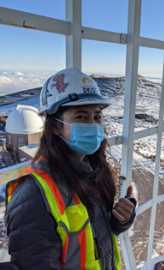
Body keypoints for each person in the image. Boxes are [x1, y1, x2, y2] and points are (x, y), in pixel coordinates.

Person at [4, 67, 136, 270]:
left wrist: (120, 221)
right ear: (55, 126)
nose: (93, 124)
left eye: (97, 117)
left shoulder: (91, 170)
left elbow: (89, 238)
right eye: (81, 117)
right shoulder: (34, 194)